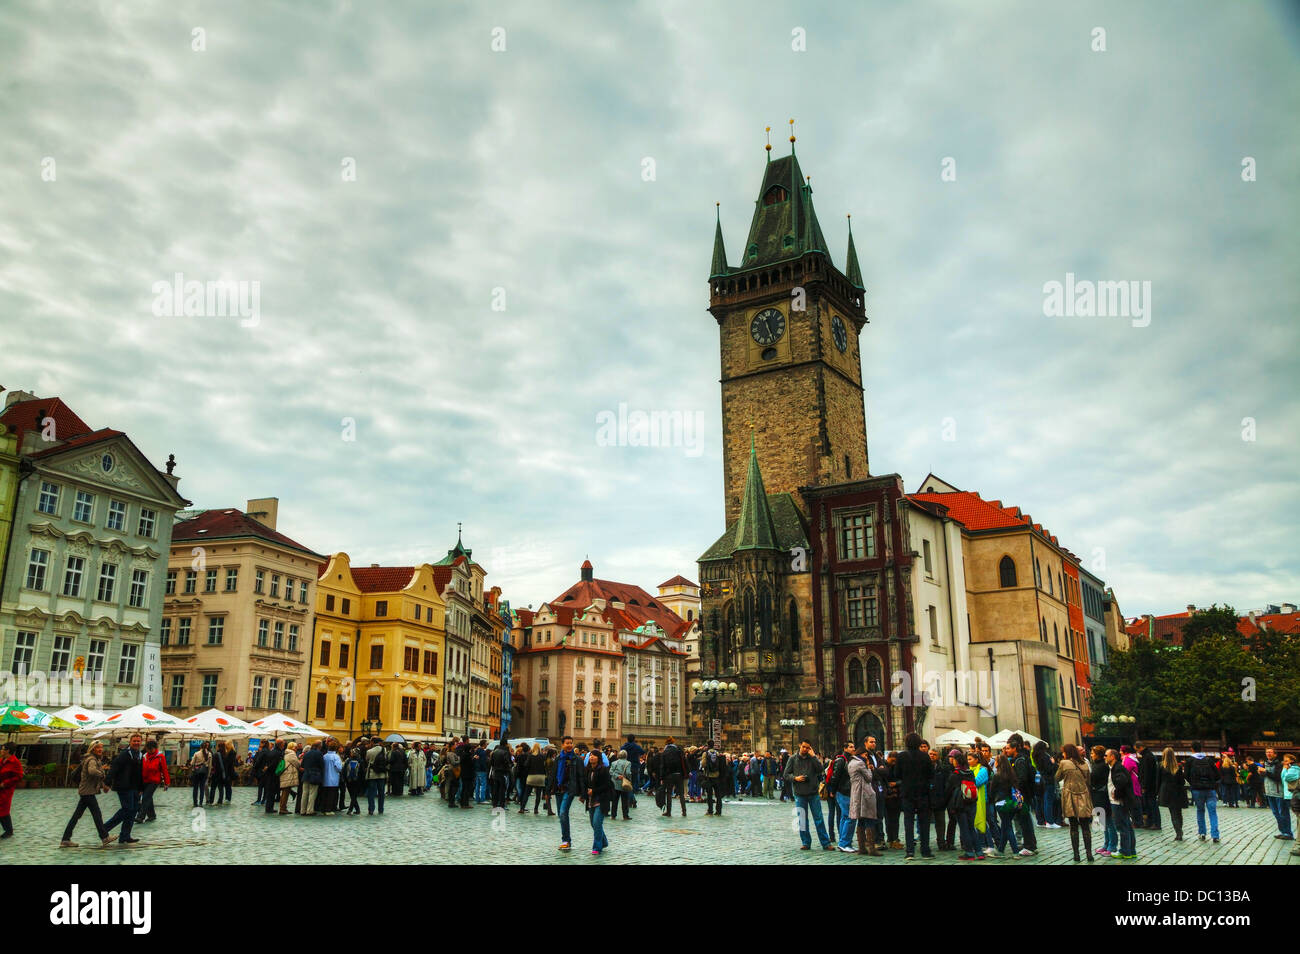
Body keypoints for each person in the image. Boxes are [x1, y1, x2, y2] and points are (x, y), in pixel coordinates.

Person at [60, 740, 117, 848]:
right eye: (98, 748)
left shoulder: (92, 759)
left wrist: (102, 783)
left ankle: (65, 839)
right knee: (97, 815)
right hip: (88, 792)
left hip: (85, 791)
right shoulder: (92, 759)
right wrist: (103, 775)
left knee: (77, 816)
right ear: (93, 749)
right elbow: (92, 771)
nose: (100, 749)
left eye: (101, 747)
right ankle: (104, 837)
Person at [785, 740, 834, 851]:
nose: (805, 749)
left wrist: (814, 757)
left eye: (808, 748)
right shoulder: (792, 759)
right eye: (803, 747)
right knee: (802, 820)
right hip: (799, 794)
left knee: (819, 819)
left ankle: (825, 843)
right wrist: (795, 778)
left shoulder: (812, 759)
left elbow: (821, 770)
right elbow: (786, 774)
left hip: (813, 793)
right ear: (799, 746)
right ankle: (806, 842)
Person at [895, 733, 934, 859]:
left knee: (908, 823)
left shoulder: (901, 756)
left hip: (907, 793)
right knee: (924, 823)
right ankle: (925, 850)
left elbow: (897, 774)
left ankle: (910, 851)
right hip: (923, 793)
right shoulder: (925, 756)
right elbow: (931, 774)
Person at [1055, 743, 1094, 862]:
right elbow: (1088, 781)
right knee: (1085, 826)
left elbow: (1057, 777)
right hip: (1083, 795)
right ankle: (1089, 854)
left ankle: (1076, 854)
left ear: (1067, 752)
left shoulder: (1064, 763)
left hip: (1070, 795)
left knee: (1073, 826)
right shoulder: (1084, 764)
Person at [103, 734, 145, 845]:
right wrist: (107, 782)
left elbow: (140, 773)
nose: (136, 743)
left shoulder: (140, 755)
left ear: (141, 742)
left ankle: (125, 836)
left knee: (133, 810)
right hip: (124, 786)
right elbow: (114, 768)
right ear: (130, 742)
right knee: (127, 809)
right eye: (134, 741)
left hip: (135, 788)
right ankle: (104, 829)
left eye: (138, 741)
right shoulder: (125, 754)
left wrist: (141, 788)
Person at [1185, 741, 1221, 843]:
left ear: (1192, 749)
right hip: (1210, 789)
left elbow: (1186, 775)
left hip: (1197, 790)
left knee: (1200, 811)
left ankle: (1202, 833)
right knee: (1212, 812)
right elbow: (1217, 775)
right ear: (1201, 748)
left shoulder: (1190, 761)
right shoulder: (1208, 760)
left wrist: (1193, 782)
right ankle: (1215, 835)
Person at [1106, 748, 1139, 859]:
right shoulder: (1115, 767)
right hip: (1120, 801)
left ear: (1112, 757)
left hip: (1118, 802)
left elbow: (1122, 782)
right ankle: (1131, 850)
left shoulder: (1118, 768)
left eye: (1106, 755)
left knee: (1122, 826)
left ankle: (1125, 851)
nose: (1105, 757)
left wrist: (1116, 793)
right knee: (1127, 826)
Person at [847, 746, 880, 855]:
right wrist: (869, 768)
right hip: (864, 793)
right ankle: (872, 848)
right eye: (865, 755)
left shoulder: (851, 762)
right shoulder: (860, 763)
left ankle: (862, 848)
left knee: (860, 820)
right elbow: (869, 778)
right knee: (869, 819)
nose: (867, 757)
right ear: (861, 754)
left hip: (856, 792)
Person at [554, 736, 584, 851]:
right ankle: (567, 840)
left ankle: (566, 840)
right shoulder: (558, 758)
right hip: (558, 789)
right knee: (561, 815)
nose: (569, 745)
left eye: (571, 743)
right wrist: (547, 791)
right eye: (567, 743)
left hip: (569, 790)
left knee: (562, 813)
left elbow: (581, 777)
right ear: (562, 745)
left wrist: (582, 794)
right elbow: (553, 775)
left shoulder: (577, 760)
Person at [829, 741, 858, 852]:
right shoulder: (841, 760)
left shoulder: (850, 759)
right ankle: (844, 843)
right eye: (851, 747)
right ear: (845, 748)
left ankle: (844, 842)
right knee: (850, 817)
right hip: (843, 792)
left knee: (844, 817)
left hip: (848, 791)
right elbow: (835, 777)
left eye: (853, 746)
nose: (853, 749)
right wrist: (833, 790)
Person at [1262, 747, 1295, 841]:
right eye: (1267, 752)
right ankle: (1283, 831)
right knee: (1276, 813)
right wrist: (1262, 773)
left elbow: (1277, 777)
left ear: (1275, 754)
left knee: (1283, 813)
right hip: (1269, 792)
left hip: (1279, 792)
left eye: (1270, 752)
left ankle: (1288, 833)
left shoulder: (1279, 764)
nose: (1268, 754)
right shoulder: (1265, 764)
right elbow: (1266, 777)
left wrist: (1266, 772)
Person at [1090, 745, 1116, 857]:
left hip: (1102, 796)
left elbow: (1094, 780)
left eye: (1092, 753)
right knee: (1103, 823)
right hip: (1097, 796)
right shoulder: (1096, 765)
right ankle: (1106, 844)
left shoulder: (1102, 766)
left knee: (1109, 823)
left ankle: (1112, 846)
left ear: (1097, 754)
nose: (1091, 755)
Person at [136, 739, 170, 824]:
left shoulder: (160, 756)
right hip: (145, 780)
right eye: (147, 749)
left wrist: (167, 783)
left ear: (155, 748)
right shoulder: (144, 756)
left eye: (151, 749)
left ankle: (140, 817)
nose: (149, 750)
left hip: (154, 781)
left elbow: (164, 770)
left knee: (146, 797)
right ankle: (152, 815)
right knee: (148, 797)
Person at [585, 750, 612, 855]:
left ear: (599, 758)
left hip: (601, 800)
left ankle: (597, 847)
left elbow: (607, 785)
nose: (592, 757)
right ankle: (603, 841)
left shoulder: (603, 770)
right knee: (593, 823)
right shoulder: (587, 770)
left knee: (597, 823)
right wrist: (583, 794)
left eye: (594, 755)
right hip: (591, 800)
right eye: (590, 755)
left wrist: (594, 791)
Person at [1157, 746, 1186, 841]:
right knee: (1178, 812)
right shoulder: (1178, 766)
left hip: (1166, 792)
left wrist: (1157, 792)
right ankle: (1179, 830)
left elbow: (1158, 781)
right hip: (1178, 791)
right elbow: (1182, 781)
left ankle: (1178, 832)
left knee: (1173, 812)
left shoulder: (1161, 766)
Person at [659, 737, 687, 818]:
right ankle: (684, 811)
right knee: (681, 793)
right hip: (679, 774)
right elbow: (684, 761)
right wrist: (685, 773)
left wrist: (661, 778)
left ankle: (669, 812)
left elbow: (662, 766)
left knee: (669, 793)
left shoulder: (665, 752)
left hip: (669, 775)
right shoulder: (678, 750)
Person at [1135, 741, 1160, 830]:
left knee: (1152, 804)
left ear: (1140, 747)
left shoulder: (1147, 757)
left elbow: (1147, 773)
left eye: (1137, 750)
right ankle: (1150, 822)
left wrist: (1144, 786)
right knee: (1148, 804)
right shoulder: (1148, 756)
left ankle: (1155, 823)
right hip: (1149, 785)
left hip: (1149, 786)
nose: (1137, 752)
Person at [0, 742, 23, 839]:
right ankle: (8, 829)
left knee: (3, 808)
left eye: (2, 749)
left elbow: (19, 776)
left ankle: (9, 830)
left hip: (7, 788)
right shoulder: (2, 760)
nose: (1, 750)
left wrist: (5, 783)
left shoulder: (15, 762)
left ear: (7, 750)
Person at [1281, 753, 1300, 857]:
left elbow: (1287, 777)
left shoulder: (1294, 769)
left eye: (1286, 760)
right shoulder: (1294, 769)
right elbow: (1285, 778)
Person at [700, 741, 726, 816]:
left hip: (708, 776)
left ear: (708, 745)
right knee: (718, 795)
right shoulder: (717, 753)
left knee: (709, 794)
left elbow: (703, 763)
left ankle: (710, 810)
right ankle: (718, 811)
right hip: (717, 776)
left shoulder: (706, 753)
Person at [300, 742, 324, 815]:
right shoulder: (319, 754)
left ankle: (302, 810)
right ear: (319, 746)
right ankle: (309, 810)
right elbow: (321, 765)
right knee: (312, 793)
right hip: (315, 775)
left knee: (304, 793)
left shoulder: (307, 753)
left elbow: (302, 765)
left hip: (306, 775)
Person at [365, 739, 389, 815]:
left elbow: (367, 760)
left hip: (372, 774)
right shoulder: (384, 750)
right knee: (381, 793)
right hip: (382, 774)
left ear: (372, 742)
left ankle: (371, 809)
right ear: (379, 742)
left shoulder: (369, 751)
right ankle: (381, 809)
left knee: (371, 793)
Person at [609, 749, 634, 821]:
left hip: (615, 783)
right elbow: (628, 773)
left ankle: (613, 815)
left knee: (614, 800)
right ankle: (625, 816)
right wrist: (629, 778)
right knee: (625, 801)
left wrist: (617, 776)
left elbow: (610, 771)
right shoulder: (628, 763)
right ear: (626, 756)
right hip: (624, 784)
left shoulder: (614, 763)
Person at [263, 740, 285, 814]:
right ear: (280, 745)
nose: (284, 745)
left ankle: (269, 807)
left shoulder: (271, 751)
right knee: (272, 792)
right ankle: (269, 808)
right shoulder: (278, 753)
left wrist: (267, 768)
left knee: (270, 791)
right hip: (274, 774)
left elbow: (267, 762)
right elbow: (275, 764)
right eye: (283, 743)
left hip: (269, 774)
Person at [321, 740, 343, 815]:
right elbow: (338, 767)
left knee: (325, 794)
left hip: (325, 778)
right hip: (333, 778)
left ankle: (323, 808)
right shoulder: (336, 757)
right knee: (331, 795)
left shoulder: (324, 756)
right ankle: (329, 809)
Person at [490, 740, 512, 809]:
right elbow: (507, 762)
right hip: (503, 772)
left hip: (496, 771)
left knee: (495, 788)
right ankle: (502, 804)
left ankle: (494, 804)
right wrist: (509, 766)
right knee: (502, 789)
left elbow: (492, 762)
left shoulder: (495, 752)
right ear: (505, 744)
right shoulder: (506, 752)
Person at [189, 741, 213, 807]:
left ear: (200, 747)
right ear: (207, 747)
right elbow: (210, 765)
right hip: (204, 772)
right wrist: (208, 774)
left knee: (195, 788)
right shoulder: (209, 754)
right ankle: (200, 803)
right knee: (202, 788)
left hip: (196, 772)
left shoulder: (196, 753)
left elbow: (191, 763)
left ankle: (195, 802)